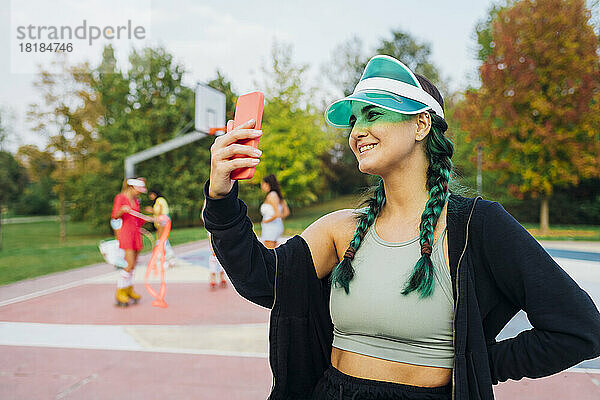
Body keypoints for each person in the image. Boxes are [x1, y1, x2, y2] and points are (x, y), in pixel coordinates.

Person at [202, 55, 600, 399]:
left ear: (422, 123)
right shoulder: (340, 229)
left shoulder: (477, 226)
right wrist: (221, 199)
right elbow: (260, 279)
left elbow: (579, 329)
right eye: (354, 120)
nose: (357, 131)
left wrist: (476, 362)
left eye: (373, 114)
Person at [111, 177, 147, 306]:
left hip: (136, 233)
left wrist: (149, 218)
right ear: (132, 187)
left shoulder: (136, 200)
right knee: (129, 264)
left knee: (133, 265)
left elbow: (137, 219)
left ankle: (128, 289)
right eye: (138, 190)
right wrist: (122, 210)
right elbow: (115, 215)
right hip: (127, 234)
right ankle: (120, 291)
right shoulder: (121, 197)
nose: (139, 193)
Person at [146, 189, 175, 268]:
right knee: (163, 240)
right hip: (162, 220)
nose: (150, 196)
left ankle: (162, 259)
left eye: (151, 194)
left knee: (161, 240)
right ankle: (169, 259)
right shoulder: (159, 200)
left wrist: (151, 212)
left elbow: (160, 211)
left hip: (163, 221)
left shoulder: (159, 200)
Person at [260, 174, 290, 249]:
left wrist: (266, 221)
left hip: (270, 227)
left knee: (269, 251)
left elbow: (277, 214)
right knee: (273, 250)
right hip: (277, 226)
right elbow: (286, 212)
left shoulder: (271, 195)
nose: (262, 186)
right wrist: (278, 221)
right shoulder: (278, 195)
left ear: (267, 184)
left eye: (262, 184)